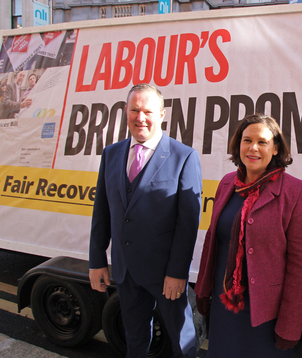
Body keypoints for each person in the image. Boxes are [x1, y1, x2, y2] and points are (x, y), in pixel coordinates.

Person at [88, 83, 202, 358]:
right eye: (135, 110)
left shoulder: (183, 156)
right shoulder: (111, 154)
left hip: (165, 274)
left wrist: (177, 273)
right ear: (126, 111)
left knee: (182, 341)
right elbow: (102, 212)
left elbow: (187, 225)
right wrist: (97, 261)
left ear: (162, 114)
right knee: (135, 339)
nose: (141, 117)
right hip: (125, 271)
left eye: (148, 111)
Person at [194, 114, 302, 358]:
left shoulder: (295, 191)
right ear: (239, 145)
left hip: (266, 316)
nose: (254, 148)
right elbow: (212, 241)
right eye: (247, 140)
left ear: (276, 147)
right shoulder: (227, 183)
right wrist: (203, 289)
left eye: (263, 142)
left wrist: (290, 325)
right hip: (224, 305)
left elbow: (300, 265)